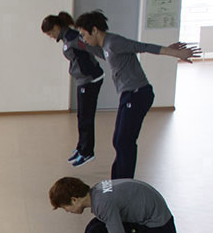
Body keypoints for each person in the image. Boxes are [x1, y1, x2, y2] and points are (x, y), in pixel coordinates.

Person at [73, 11, 198, 180]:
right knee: (119, 141)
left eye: (83, 34)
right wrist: (77, 43)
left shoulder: (114, 42)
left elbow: (142, 46)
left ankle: (124, 184)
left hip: (137, 94)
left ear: (94, 30)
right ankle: (118, 181)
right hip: (129, 95)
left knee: (124, 142)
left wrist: (174, 53)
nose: (83, 38)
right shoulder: (106, 46)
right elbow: (102, 54)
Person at [41, 12, 104, 165]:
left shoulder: (75, 37)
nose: (50, 36)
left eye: (50, 32)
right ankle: (81, 147)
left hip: (91, 79)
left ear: (56, 27)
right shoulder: (66, 38)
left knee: (86, 118)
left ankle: (87, 152)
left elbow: (94, 49)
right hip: (82, 80)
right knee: (81, 117)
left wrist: (110, 57)